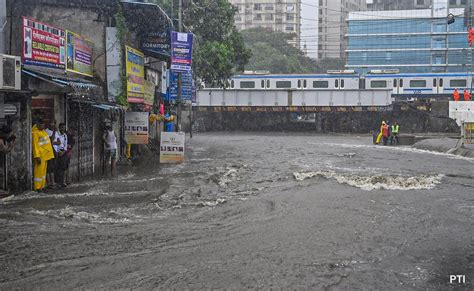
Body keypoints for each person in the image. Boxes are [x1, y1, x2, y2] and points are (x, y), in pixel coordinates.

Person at [32, 119, 55, 192]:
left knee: (43, 172)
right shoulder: (35, 133)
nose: (43, 126)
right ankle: (37, 187)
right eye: (41, 125)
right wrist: (37, 156)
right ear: (37, 125)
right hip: (41, 155)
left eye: (43, 125)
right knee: (38, 172)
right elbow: (35, 146)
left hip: (46, 155)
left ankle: (42, 185)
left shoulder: (43, 131)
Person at [45, 120, 59, 188]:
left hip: (55, 151)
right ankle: (49, 183)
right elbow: (51, 141)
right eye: (51, 122)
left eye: (53, 123)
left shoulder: (56, 132)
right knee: (49, 168)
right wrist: (54, 132)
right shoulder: (46, 131)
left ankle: (52, 182)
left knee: (52, 167)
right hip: (48, 151)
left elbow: (58, 142)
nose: (52, 124)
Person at [54, 123, 68, 187]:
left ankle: (63, 181)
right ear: (59, 128)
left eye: (64, 128)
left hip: (63, 152)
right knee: (58, 168)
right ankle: (58, 182)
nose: (63, 129)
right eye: (62, 127)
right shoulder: (56, 134)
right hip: (57, 152)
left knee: (64, 167)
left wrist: (64, 152)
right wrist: (58, 151)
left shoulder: (65, 135)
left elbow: (65, 145)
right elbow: (54, 144)